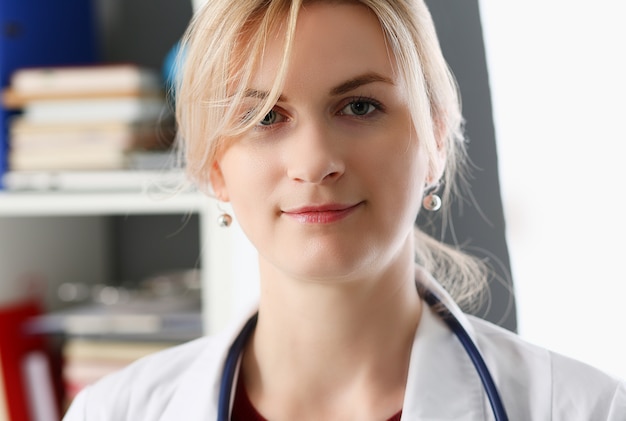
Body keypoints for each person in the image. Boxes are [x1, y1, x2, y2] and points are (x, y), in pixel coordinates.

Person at [63, 0, 626, 420]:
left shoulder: (583, 408)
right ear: (214, 165)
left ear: (433, 139)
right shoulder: (113, 412)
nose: (314, 162)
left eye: (359, 105)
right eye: (264, 118)